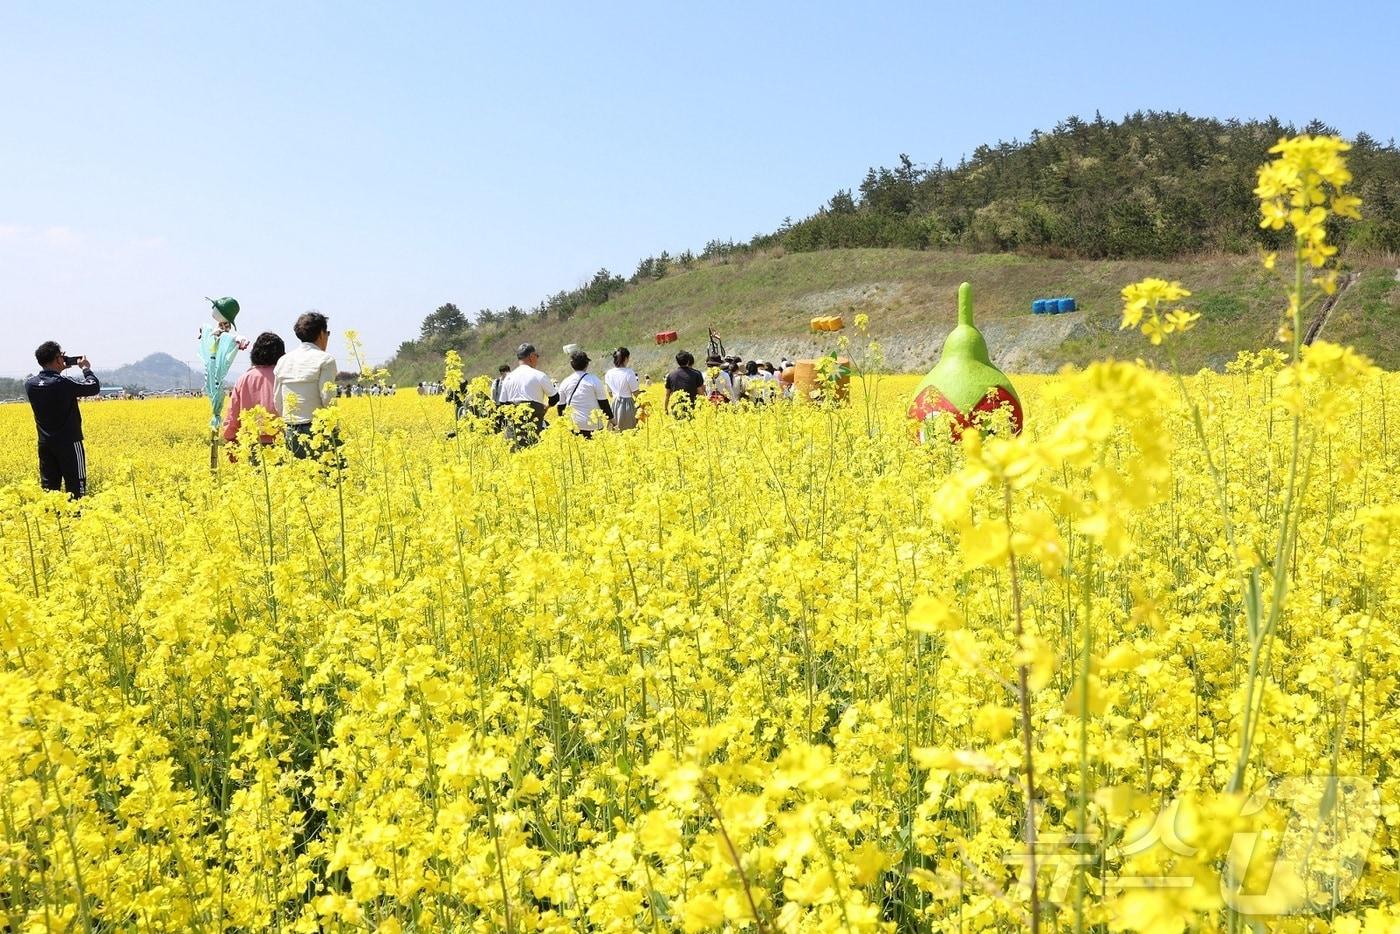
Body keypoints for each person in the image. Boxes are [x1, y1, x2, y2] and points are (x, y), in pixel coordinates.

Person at [25, 341, 100, 498]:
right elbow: (93, 387)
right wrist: (85, 368)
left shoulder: (30, 384)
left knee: (49, 489)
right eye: (61, 356)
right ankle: (77, 521)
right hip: (69, 443)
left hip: (45, 444)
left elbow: (49, 381)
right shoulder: (62, 382)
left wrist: (59, 367)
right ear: (58, 359)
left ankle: (53, 521)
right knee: (76, 488)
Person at [274, 311, 339, 458]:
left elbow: (278, 401)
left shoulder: (283, 360)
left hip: (291, 430)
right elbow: (328, 398)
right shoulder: (326, 360)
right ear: (322, 334)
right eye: (327, 333)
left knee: (299, 477)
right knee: (331, 476)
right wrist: (334, 428)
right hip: (318, 431)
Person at [222, 332, 285, 449]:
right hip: (281, 443)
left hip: (250, 443)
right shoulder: (284, 376)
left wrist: (230, 440)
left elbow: (232, 414)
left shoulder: (244, 379)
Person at [499, 343, 558, 447]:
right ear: (531, 356)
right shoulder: (539, 375)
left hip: (515, 431)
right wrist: (546, 407)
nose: (537, 359)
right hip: (535, 427)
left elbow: (503, 404)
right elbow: (555, 398)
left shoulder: (508, 378)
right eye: (537, 356)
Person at [555, 351, 614, 438]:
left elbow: (560, 406)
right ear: (587, 364)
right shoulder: (594, 380)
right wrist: (612, 420)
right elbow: (604, 404)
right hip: (594, 426)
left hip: (574, 426)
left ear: (571, 364)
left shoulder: (565, 382)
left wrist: (563, 425)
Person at [604, 347, 641, 431]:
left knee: (615, 432)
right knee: (629, 430)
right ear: (625, 358)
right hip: (627, 405)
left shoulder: (609, 373)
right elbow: (635, 393)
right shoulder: (629, 372)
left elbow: (610, 393)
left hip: (614, 404)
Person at [664, 350, 705, 416]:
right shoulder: (696, 374)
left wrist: (665, 409)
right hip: (692, 409)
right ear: (688, 361)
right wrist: (705, 407)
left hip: (676, 409)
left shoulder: (671, 375)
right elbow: (700, 392)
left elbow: (667, 395)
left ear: (677, 362)